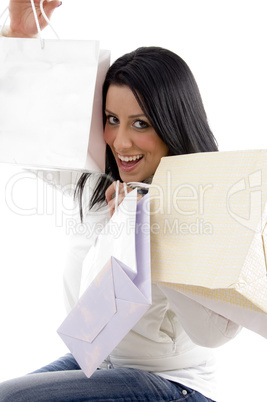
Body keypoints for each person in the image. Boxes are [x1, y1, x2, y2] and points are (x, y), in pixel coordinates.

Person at [0, 1, 241, 401]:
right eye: (112, 119)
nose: (121, 142)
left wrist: (153, 229)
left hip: (174, 385)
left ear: (172, 124)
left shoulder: (200, 203)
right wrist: (19, 36)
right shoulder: (104, 184)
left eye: (140, 124)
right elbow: (25, 135)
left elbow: (212, 334)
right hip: (99, 360)